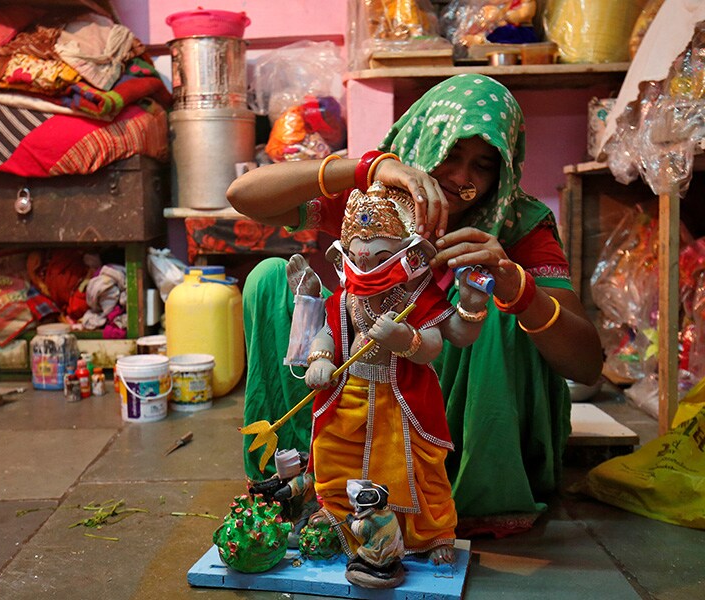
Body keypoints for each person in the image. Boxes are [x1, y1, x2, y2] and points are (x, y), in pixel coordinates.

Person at [228, 73, 603, 538]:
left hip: (444, 404)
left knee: (502, 305)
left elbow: (587, 364)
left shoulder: (519, 223)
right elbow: (243, 196)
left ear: (502, 171)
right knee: (269, 280)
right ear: (425, 140)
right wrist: (365, 168)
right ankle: (301, 476)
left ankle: (457, 491)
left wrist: (516, 288)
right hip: (358, 386)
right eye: (451, 153)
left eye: (483, 165)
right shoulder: (377, 198)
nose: (462, 178)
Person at [302, 181, 487, 569]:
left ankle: (432, 533)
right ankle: (339, 519)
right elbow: (329, 330)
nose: (365, 266)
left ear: (405, 254)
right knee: (335, 455)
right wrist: (320, 358)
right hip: (350, 391)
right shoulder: (347, 293)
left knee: (421, 469)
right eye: (358, 257)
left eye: (378, 257)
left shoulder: (414, 293)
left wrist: (406, 339)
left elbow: (437, 343)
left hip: (402, 399)